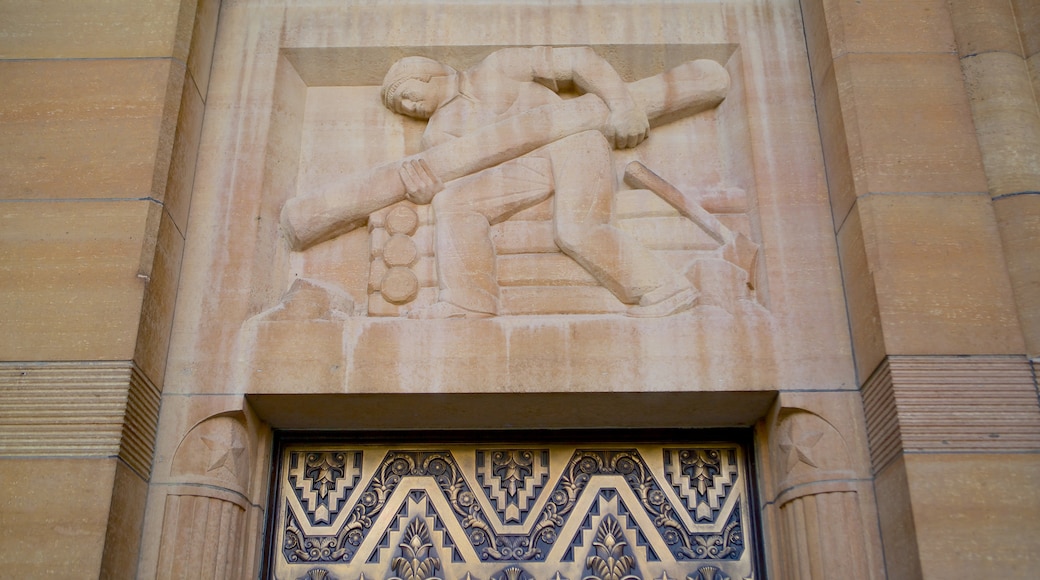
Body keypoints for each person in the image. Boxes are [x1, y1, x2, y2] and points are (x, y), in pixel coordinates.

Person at [381, 47, 698, 318]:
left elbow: (577, 59)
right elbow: (459, 181)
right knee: (453, 203)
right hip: (523, 170)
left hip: (572, 143)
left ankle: (666, 289)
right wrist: (429, 192)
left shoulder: (497, 67)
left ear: (427, 75)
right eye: (401, 108)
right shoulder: (437, 134)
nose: (409, 108)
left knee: (577, 229)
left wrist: (623, 106)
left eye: (406, 96)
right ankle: (468, 303)